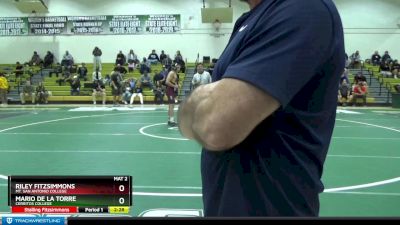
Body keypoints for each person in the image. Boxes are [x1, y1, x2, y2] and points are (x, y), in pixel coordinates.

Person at [178, 0, 345, 217]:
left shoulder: (303, 8)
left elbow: (215, 125)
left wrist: (199, 100)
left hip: (271, 207)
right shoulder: (248, 21)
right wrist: (208, 101)